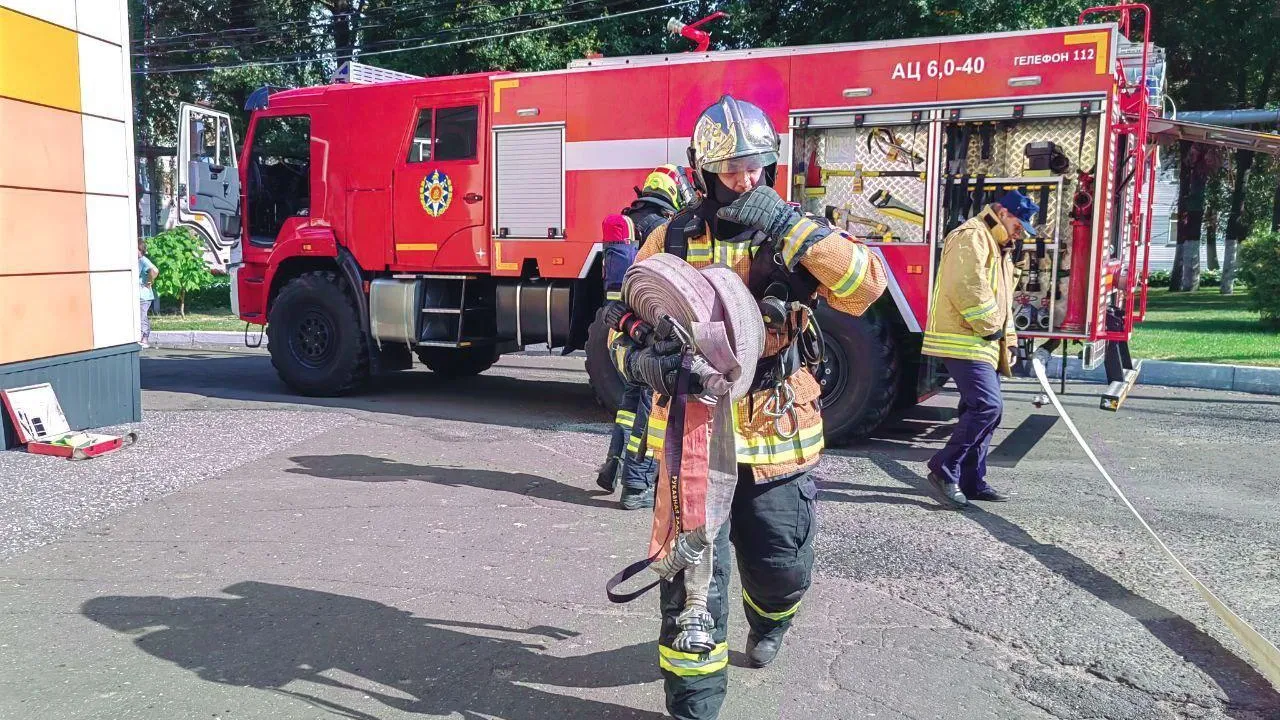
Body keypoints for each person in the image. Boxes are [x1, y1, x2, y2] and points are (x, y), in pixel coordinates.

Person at [606, 95, 887, 720]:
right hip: (692, 439)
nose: (745, 179)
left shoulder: (797, 232)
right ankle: (694, 703)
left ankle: (771, 619)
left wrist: (790, 227)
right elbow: (620, 320)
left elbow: (865, 288)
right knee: (690, 585)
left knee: (779, 561)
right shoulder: (669, 235)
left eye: (756, 165)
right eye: (731, 167)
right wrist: (639, 360)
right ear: (703, 171)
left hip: (773, 430)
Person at [922, 190, 1038, 508]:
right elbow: (967, 287)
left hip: (982, 341)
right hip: (963, 340)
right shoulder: (971, 236)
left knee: (987, 411)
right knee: (987, 407)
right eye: (1018, 223)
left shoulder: (997, 243)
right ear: (1001, 211)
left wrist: (1008, 340)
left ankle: (971, 480)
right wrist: (992, 330)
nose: (1020, 232)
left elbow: (1002, 302)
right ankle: (943, 469)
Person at [596, 165, 696, 510]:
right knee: (648, 412)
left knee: (628, 404)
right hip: (650, 336)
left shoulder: (628, 224)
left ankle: (613, 466)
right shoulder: (666, 229)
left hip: (621, 331)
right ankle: (636, 487)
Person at [138, 239, 158, 348]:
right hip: (140, 294)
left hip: (144, 295)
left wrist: (149, 281)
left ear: (139, 249)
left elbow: (154, 270)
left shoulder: (143, 260)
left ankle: (145, 338)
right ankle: (142, 337)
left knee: (142, 316)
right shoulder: (137, 260)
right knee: (140, 316)